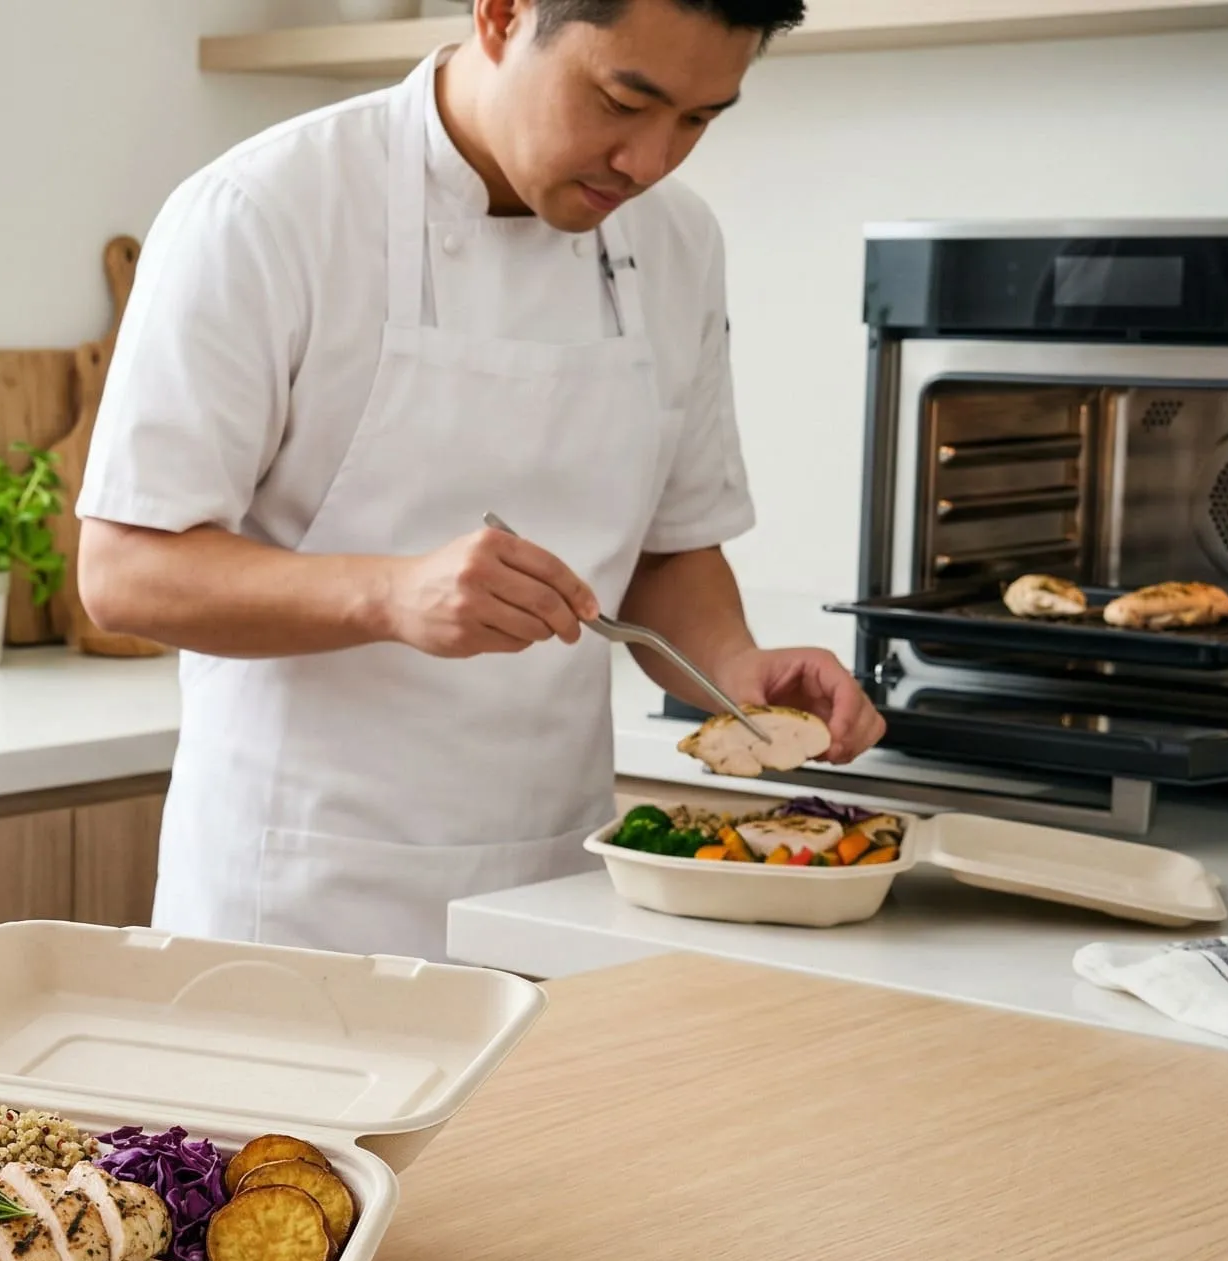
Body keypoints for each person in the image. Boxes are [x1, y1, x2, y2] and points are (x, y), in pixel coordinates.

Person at [77, 0, 885, 961]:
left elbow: (668, 551)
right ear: (503, 15)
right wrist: (390, 593)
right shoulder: (266, 210)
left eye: (698, 120)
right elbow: (124, 572)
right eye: (624, 100)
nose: (650, 160)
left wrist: (734, 674)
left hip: (558, 891)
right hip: (300, 900)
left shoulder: (676, 244)